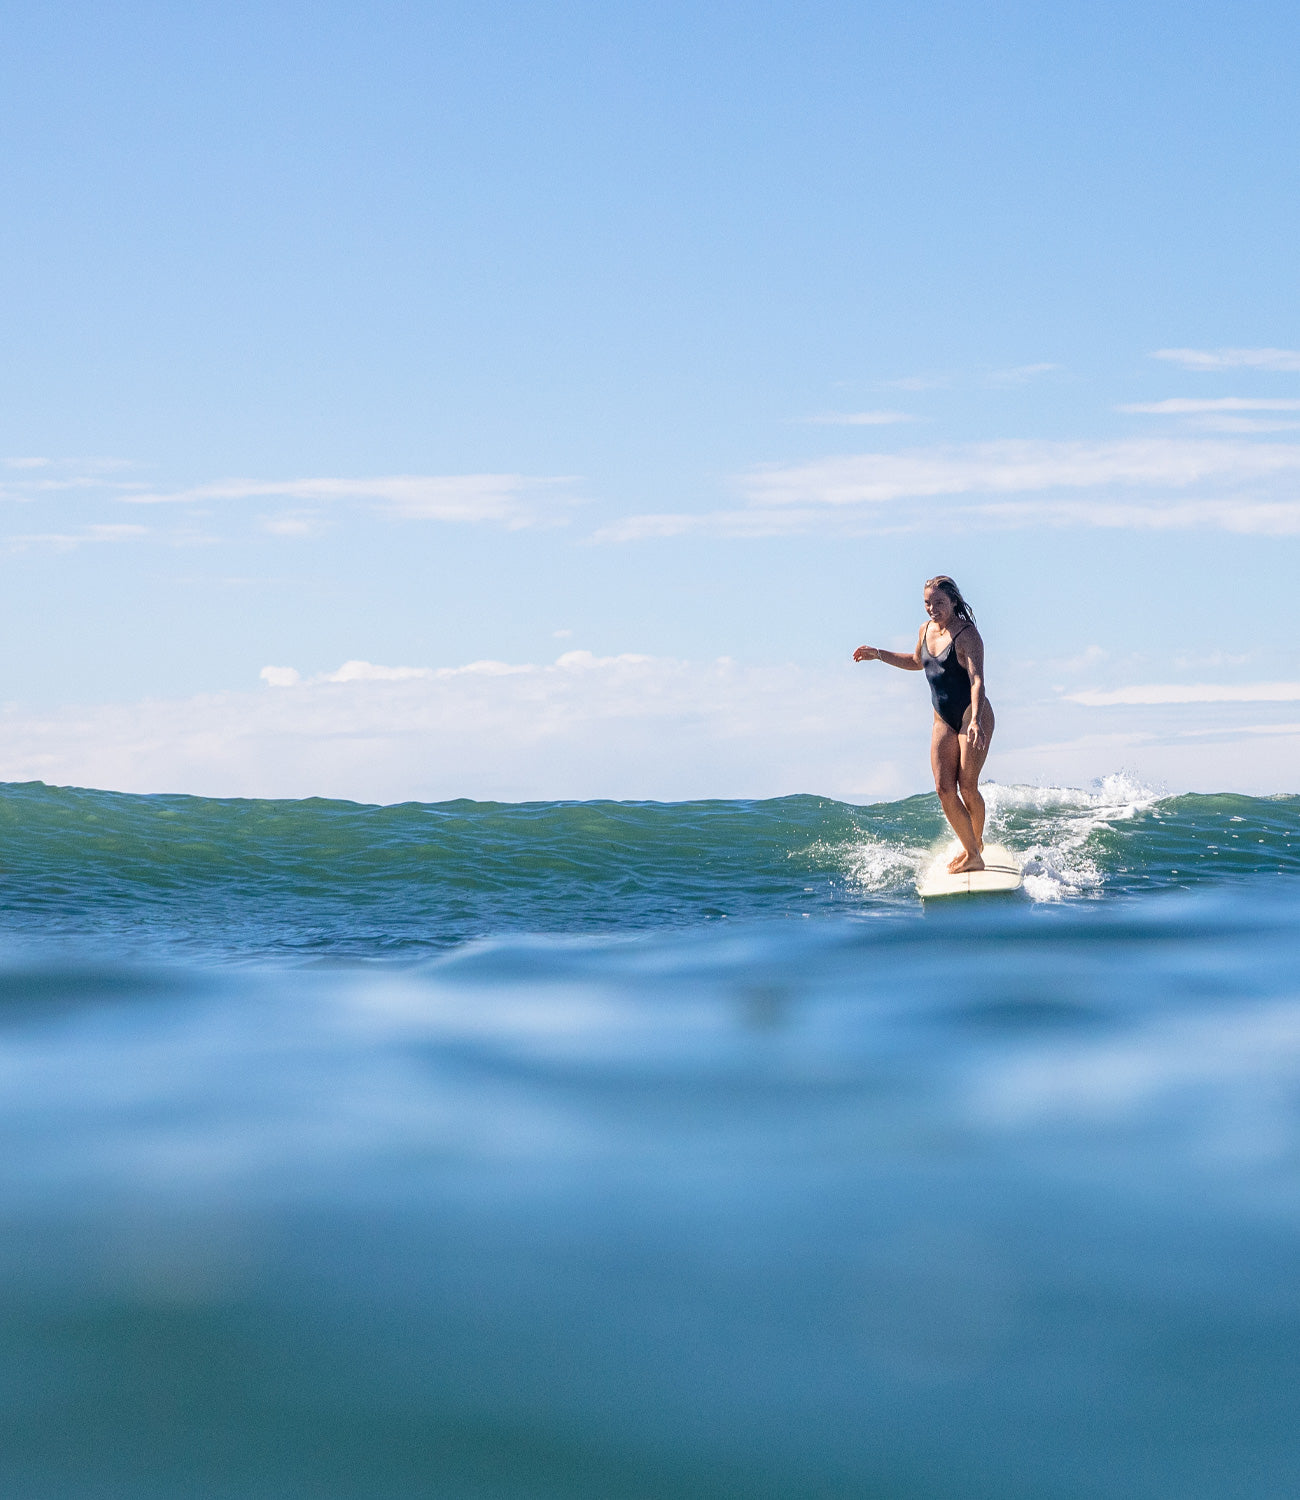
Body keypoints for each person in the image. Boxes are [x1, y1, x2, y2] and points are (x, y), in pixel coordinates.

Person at [853, 576, 994, 873]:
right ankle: (973, 850)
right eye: (928, 603)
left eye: (939, 602)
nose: (932, 608)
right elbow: (917, 661)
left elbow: (977, 679)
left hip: (972, 713)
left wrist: (978, 722)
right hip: (942, 716)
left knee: (967, 787)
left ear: (954, 601)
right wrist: (879, 654)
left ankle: (975, 847)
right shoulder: (925, 629)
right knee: (944, 788)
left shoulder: (967, 635)